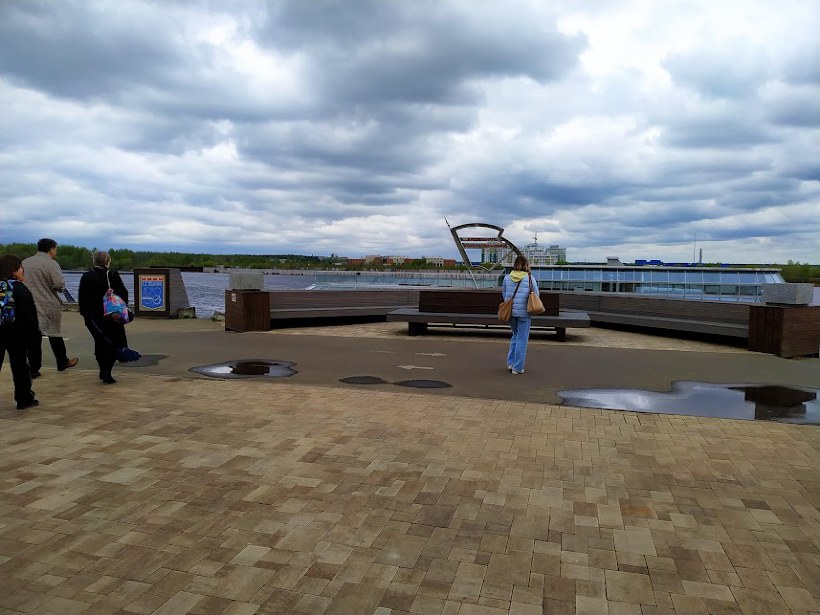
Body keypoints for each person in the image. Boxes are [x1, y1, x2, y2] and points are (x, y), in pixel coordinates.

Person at [23, 238, 79, 377]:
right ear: (51, 249)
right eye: (55, 249)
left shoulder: (25, 262)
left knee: (33, 338)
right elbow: (59, 284)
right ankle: (62, 361)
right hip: (47, 303)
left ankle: (33, 368)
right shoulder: (51, 264)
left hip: (28, 304)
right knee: (54, 334)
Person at [79, 250, 129, 384]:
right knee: (114, 343)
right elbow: (123, 293)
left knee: (100, 342)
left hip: (93, 317)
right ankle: (107, 372)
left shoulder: (86, 276)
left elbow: (82, 298)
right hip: (111, 315)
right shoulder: (112, 275)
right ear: (108, 261)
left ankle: (103, 369)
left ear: (94, 261)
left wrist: (86, 315)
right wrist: (123, 310)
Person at [0, 255, 40, 409]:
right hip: (17, 334)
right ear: (14, 270)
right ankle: (24, 398)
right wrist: (34, 336)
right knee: (20, 366)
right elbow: (30, 316)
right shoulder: (20, 289)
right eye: (20, 267)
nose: (23, 270)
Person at [502, 255, 540, 375]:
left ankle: (511, 363)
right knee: (522, 339)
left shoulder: (507, 278)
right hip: (524, 313)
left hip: (511, 312)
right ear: (526, 265)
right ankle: (517, 368)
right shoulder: (530, 278)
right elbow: (536, 295)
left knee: (515, 335)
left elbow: (504, 294)